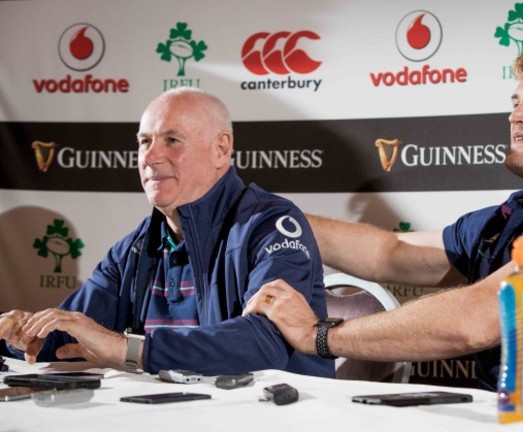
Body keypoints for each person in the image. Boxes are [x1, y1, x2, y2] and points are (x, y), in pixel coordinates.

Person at [244, 48, 523, 397]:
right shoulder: (509, 216)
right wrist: (268, 216)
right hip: (511, 416)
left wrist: (319, 335)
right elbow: (391, 253)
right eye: (515, 102)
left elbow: (485, 315)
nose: (515, 116)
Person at [0, 87, 332, 378]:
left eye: (172, 140)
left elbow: (266, 341)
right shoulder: (135, 246)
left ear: (221, 149)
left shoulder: (270, 224)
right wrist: (27, 336)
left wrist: (130, 350)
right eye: (145, 142)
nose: (150, 156)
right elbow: (69, 338)